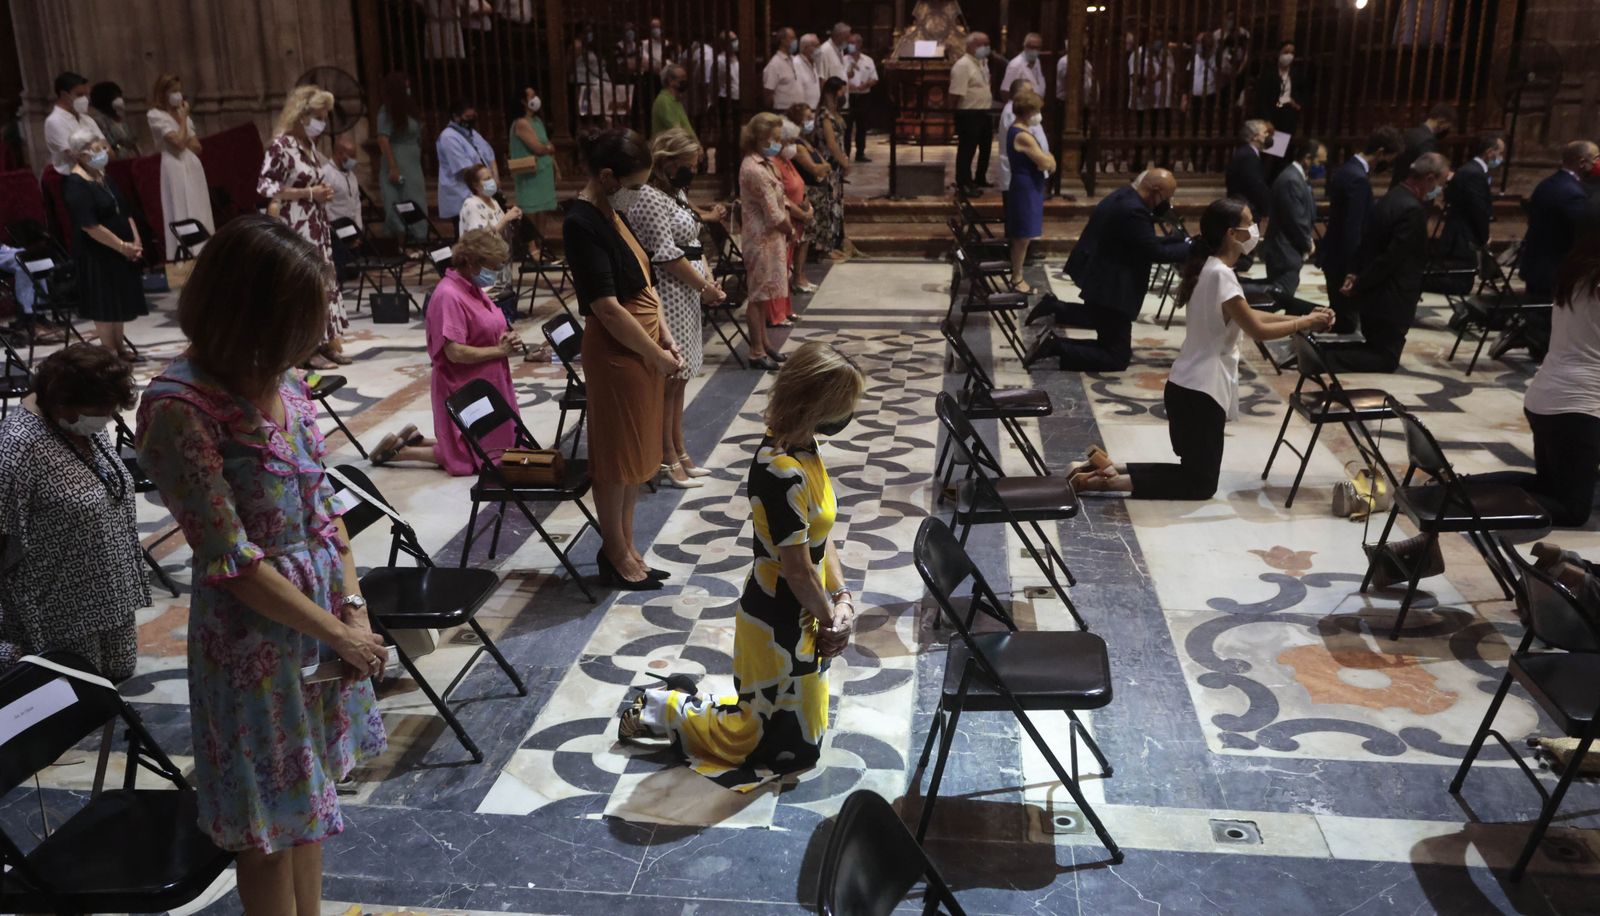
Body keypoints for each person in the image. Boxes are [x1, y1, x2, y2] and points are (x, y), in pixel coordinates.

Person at [135, 216, 387, 915]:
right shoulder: (178, 406)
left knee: (310, 804)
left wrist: (354, 610)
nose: (314, 335)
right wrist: (338, 634)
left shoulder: (285, 380)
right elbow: (232, 560)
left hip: (322, 623)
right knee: (268, 829)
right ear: (253, 312)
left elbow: (324, 508)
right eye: (302, 319)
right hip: (251, 639)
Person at [616, 342, 863, 791]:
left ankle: (686, 699)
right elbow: (797, 570)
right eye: (845, 404)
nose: (849, 414)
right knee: (757, 742)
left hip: (807, 608)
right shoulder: (781, 469)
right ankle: (660, 708)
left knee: (801, 743)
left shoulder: (805, 447)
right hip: (778, 617)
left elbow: (819, 537)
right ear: (817, 404)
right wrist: (833, 621)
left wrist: (842, 597)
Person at [1073, 199, 1335, 499]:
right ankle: (1101, 482)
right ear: (1231, 233)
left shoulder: (1210, 268)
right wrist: (1304, 323)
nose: (1255, 229)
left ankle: (1108, 468)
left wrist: (1305, 318)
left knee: (1193, 473)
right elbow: (1257, 330)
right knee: (1199, 484)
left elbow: (1247, 315)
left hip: (1187, 386)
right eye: (1249, 223)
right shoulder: (1221, 274)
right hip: (1201, 392)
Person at [565, 128, 683, 589]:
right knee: (616, 459)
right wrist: (655, 354)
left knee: (637, 455)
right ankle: (614, 551)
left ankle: (629, 545)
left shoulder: (613, 211)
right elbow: (607, 307)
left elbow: (645, 282)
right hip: (619, 352)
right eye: (634, 185)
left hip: (644, 347)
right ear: (607, 176)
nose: (639, 194)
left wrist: (665, 337)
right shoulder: (581, 221)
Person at [0, 344, 147, 680]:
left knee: (117, 676)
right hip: (60, 608)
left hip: (111, 593)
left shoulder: (80, 423)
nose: (107, 418)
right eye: (101, 411)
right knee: (79, 691)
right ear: (62, 404)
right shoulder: (17, 445)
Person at [1474, 228, 1600, 527]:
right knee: (1572, 509)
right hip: (1577, 408)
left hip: (1547, 398)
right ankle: (1456, 498)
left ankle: (1454, 487)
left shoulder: (1581, 270)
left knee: (1546, 487)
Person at [624, 128, 727, 489]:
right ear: (667, 161)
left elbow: (694, 241)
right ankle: (666, 456)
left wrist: (708, 280)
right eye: (690, 163)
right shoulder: (648, 196)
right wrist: (703, 287)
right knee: (670, 378)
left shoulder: (676, 193)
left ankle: (680, 448)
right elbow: (665, 254)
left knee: (680, 379)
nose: (693, 170)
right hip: (668, 292)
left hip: (688, 292)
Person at [370, 228, 520, 473]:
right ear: (472, 263)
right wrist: (499, 350)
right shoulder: (449, 295)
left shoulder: (472, 288)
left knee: (491, 444)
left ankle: (417, 440)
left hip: (487, 380)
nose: (494, 273)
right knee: (470, 458)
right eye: (492, 267)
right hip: (463, 384)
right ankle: (400, 452)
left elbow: (487, 326)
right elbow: (454, 352)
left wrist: (506, 337)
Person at [1036, 169, 1189, 372]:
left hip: (1103, 281)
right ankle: (1056, 346)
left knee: (1108, 338)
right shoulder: (1134, 211)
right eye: (1167, 197)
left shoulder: (1126, 196)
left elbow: (1142, 241)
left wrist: (1178, 241)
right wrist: (1192, 249)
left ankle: (1055, 335)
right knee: (1116, 358)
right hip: (1112, 289)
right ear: (1155, 191)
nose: (1167, 203)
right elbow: (1154, 252)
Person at [1323, 152, 1451, 373]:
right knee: (1385, 358)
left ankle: (1317, 352)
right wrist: (1359, 282)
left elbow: (1367, 243)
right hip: (1391, 299)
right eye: (1440, 183)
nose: (1440, 189)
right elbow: (1391, 259)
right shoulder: (1412, 210)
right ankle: (1317, 358)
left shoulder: (1392, 197)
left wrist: (1356, 275)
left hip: (1376, 297)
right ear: (1430, 178)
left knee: (1374, 348)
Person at [258, 84, 348, 370]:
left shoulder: (308, 145)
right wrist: (309, 193)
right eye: (318, 117)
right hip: (295, 221)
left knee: (321, 279)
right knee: (303, 280)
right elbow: (266, 185)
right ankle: (304, 349)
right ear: (301, 115)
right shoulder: (281, 145)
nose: (322, 123)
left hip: (316, 222)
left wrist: (320, 193)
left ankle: (323, 342)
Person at [62, 130, 146, 361]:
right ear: (82, 155)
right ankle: (109, 351)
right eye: (97, 149)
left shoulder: (104, 177)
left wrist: (135, 241)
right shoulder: (75, 184)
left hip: (120, 249)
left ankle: (120, 347)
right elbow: (90, 226)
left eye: (102, 147)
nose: (103, 152)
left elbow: (124, 210)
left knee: (117, 300)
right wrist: (122, 246)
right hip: (96, 253)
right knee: (104, 303)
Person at [1323, 126, 1403, 333]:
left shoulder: (1346, 169)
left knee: (1340, 318)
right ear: (1380, 153)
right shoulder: (1358, 179)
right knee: (1346, 324)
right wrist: (1354, 269)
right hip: (1342, 261)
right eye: (1390, 159)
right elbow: (1353, 228)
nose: (1389, 165)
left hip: (1333, 256)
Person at [738, 113, 796, 371]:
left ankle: (765, 343)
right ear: (759, 138)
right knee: (757, 295)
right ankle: (756, 350)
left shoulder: (765, 164)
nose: (777, 144)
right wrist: (790, 229)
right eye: (773, 139)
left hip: (770, 239)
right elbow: (773, 214)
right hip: (761, 239)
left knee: (763, 297)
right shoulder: (753, 169)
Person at [147, 74, 215, 260]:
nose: (178, 95)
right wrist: (183, 120)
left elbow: (196, 147)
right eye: (173, 91)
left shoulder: (181, 114)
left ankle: (205, 251)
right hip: (174, 166)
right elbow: (178, 143)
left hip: (192, 165)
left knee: (198, 207)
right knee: (181, 207)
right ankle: (187, 254)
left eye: (179, 90)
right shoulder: (155, 115)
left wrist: (183, 131)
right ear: (163, 93)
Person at [1262, 138, 1326, 302]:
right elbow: (1295, 219)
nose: (1321, 167)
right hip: (1283, 252)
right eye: (1319, 162)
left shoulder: (1298, 177)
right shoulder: (1291, 180)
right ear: (1307, 158)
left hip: (1288, 251)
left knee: (1283, 298)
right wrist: (1308, 243)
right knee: (1279, 298)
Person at [1003, 89, 1053, 294]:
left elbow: (1045, 158)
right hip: (1025, 187)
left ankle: (1018, 275)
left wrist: (1047, 158)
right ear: (1028, 111)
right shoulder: (1022, 135)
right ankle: (1017, 277)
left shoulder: (1023, 131)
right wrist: (1049, 160)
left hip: (1029, 185)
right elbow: (1045, 162)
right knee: (1022, 236)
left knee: (1025, 234)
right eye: (1036, 111)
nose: (1039, 115)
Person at [377, 71, 428, 243]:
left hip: (412, 162)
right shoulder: (386, 111)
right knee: (396, 199)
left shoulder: (409, 110)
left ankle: (419, 235)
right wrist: (393, 166)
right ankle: (401, 237)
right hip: (397, 159)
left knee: (416, 197)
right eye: (405, 86)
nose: (408, 89)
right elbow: (383, 139)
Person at [786, 103, 832, 291]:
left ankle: (801, 275)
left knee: (808, 238)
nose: (811, 121)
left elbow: (825, 164)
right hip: (807, 193)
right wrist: (823, 168)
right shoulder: (796, 145)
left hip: (817, 192)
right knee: (802, 238)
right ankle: (798, 276)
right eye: (807, 118)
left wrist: (824, 167)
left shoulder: (807, 142)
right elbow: (816, 169)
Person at [1439, 134, 1504, 263]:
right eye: (1500, 153)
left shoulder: (1474, 170)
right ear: (1490, 152)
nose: (1501, 157)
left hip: (1463, 233)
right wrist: (1484, 238)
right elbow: (1478, 209)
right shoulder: (1474, 173)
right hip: (1463, 237)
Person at [771, 115, 813, 315]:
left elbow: (798, 185)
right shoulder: (773, 164)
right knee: (781, 269)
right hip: (787, 220)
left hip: (798, 218)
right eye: (788, 142)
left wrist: (807, 206)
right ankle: (778, 312)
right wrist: (802, 214)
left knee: (787, 267)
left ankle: (785, 309)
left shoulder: (787, 161)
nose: (791, 146)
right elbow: (782, 197)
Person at [510, 85, 559, 240]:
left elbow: (548, 145)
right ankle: (531, 246)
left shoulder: (537, 121)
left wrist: (554, 165)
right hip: (530, 175)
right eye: (531, 96)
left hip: (543, 173)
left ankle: (541, 243)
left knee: (543, 209)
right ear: (523, 101)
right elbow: (538, 148)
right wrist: (548, 148)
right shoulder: (521, 123)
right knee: (531, 210)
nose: (535, 99)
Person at [436, 100, 497, 222]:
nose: (471, 120)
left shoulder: (473, 133)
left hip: (482, 190)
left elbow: (489, 155)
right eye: (467, 117)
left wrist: (495, 178)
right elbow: (465, 170)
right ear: (456, 117)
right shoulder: (448, 137)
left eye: (473, 117)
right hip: (462, 196)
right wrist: (487, 181)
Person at [1251, 40, 1309, 167]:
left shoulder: (1296, 74)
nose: (1289, 56)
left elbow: (1304, 92)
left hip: (1288, 114)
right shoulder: (1269, 74)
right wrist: (1267, 119)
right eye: (1286, 52)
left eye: (1292, 53)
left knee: (1286, 153)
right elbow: (1262, 98)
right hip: (1273, 115)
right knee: (1270, 152)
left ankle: (1282, 172)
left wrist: (1297, 104)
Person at [950, 32, 994, 195]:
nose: (986, 48)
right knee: (967, 150)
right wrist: (953, 115)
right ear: (971, 46)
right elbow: (954, 94)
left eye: (987, 44)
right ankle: (964, 183)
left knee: (985, 147)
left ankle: (980, 178)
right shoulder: (963, 65)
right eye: (983, 45)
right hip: (968, 113)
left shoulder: (982, 63)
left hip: (984, 111)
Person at [812, 78, 851, 260]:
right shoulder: (825, 115)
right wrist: (843, 161)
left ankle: (836, 242)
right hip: (828, 161)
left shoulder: (835, 112)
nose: (844, 95)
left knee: (836, 202)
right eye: (842, 91)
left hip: (838, 163)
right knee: (829, 203)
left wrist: (845, 160)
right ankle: (827, 246)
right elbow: (831, 143)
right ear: (832, 92)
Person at [44, 72, 102, 176]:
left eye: (86, 95)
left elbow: (107, 150)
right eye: (80, 95)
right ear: (64, 95)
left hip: (98, 172)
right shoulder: (55, 121)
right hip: (74, 177)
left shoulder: (87, 119)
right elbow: (79, 158)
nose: (85, 99)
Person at [322, 136, 362, 281]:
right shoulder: (326, 174)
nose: (354, 160)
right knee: (340, 275)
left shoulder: (351, 175)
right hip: (335, 231)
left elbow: (356, 203)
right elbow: (325, 206)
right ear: (339, 154)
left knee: (354, 273)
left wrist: (358, 231)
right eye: (351, 156)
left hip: (352, 229)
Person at [1225, 119, 1274, 233]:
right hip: (1247, 209)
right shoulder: (1248, 156)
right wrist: (1266, 210)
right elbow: (1256, 186)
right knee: (1248, 241)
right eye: (1265, 132)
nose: (1267, 135)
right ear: (1255, 136)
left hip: (1245, 207)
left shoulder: (1247, 153)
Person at [1392, 103, 1456, 188]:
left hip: (1397, 185)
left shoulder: (1410, 132)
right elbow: (1428, 170)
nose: (1446, 129)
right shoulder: (1427, 141)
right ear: (1441, 121)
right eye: (1447, 126)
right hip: (1411, 189)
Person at [843, 33, 877, 163]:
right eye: (849, 43)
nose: (850, 46)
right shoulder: (843, 60)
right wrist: (847, 84)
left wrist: (866, 84)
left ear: (860, 44)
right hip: (849, 97)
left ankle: (860, 153)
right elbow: (839, 77)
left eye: (853, 43)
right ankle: (845, 153)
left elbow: (875, 78)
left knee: (862, 126)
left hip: (863, 97)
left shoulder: (868, 60)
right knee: (847, 127)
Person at [87, 81, 138, 160]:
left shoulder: (121, 120)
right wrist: (120, 145)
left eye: (119, 96)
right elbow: (108, 146)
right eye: (115, 97)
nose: (120, 100)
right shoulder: (99, 121)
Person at [650, 64, 696, 141]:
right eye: (682, 78)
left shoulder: (675, 100)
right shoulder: (664, 101)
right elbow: (677, 130)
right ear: (670, 81)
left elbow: (686, 127)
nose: (685, 80)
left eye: (685, 77)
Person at [763, 27, 805, 111]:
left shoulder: (794, 60)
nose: (795, 41)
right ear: (783, 40)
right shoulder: (774, 64)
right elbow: (768, 93)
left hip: (798, 112)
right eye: (792, 38)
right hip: (783, 112)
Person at [1001, 32, 1046, 102]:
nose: (1034, 50)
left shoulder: (1037, 61)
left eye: (1037, 47)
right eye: (1031, 47)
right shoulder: (1015, 65)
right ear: (1025, 46)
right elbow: (1005, 91)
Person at [714, 31, 742, 122]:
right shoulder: (720, 61)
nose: (736, 42)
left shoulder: (737, 57)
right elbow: (715, 82)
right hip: (726, 99)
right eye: (733, 40)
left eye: (736, 39)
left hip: (738, 98)